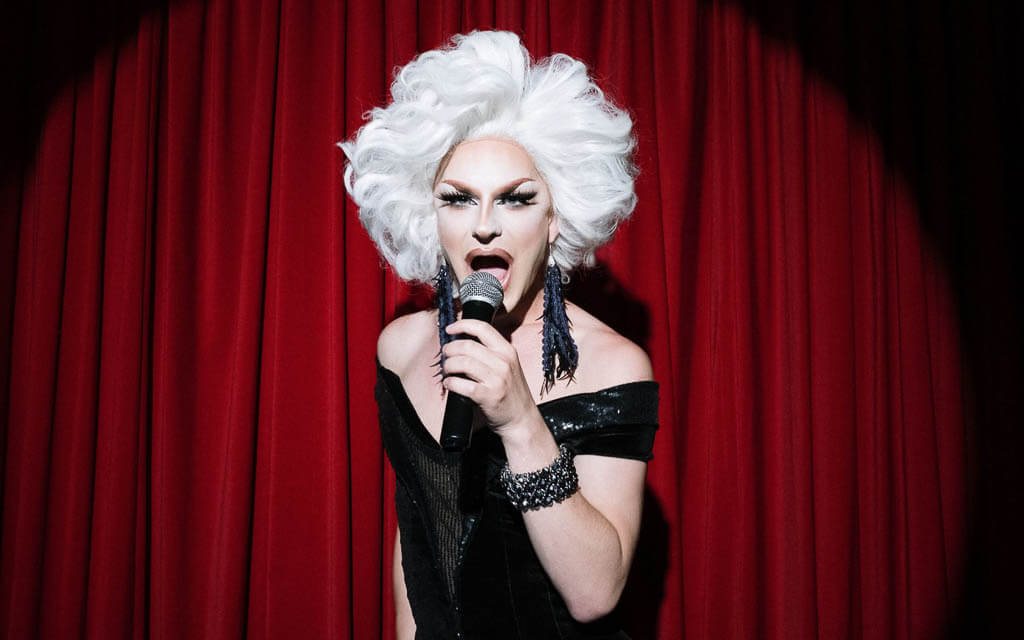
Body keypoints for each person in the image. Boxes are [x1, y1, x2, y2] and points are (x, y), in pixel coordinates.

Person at [340, 30, 659, 640]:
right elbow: (419, 542)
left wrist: (518, 422)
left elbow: (596, 593)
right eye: (458, 200)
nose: (484, 227)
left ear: (555, 215)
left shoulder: (614, 365)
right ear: (429, 215)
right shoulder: (400, 349)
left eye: (515, 199)